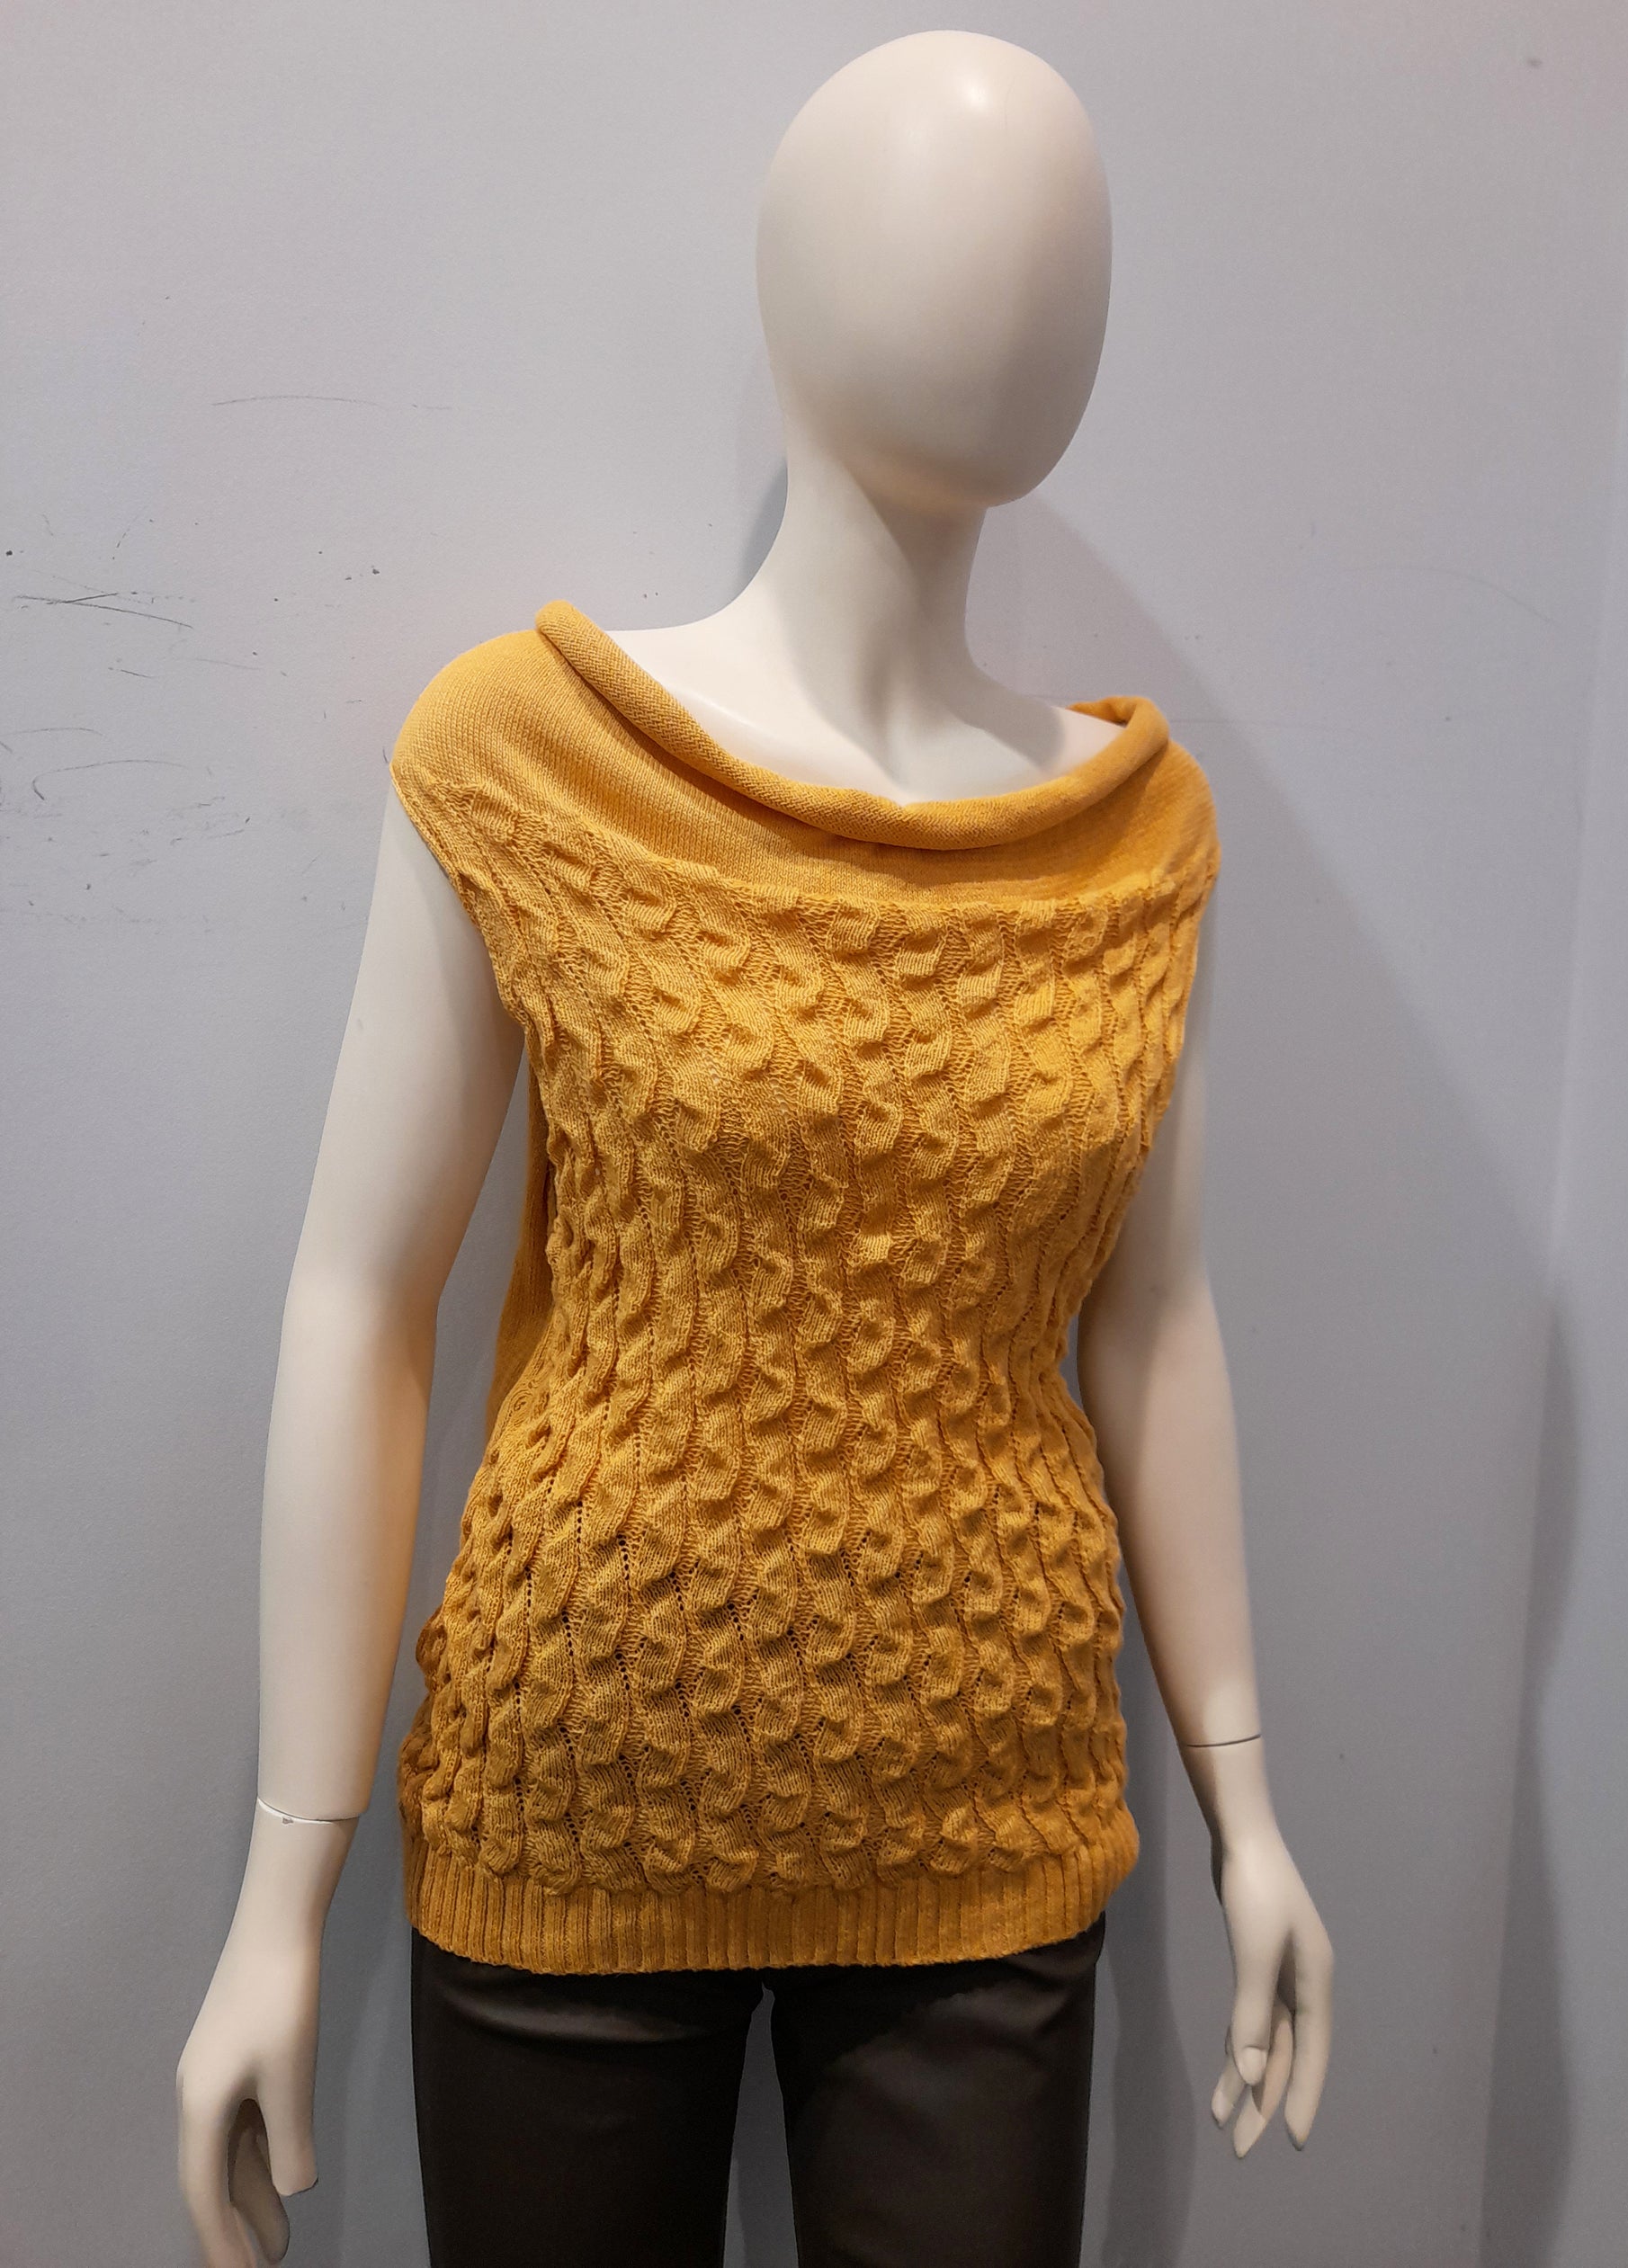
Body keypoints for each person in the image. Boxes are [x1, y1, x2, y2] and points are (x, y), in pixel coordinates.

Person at [177, 31, 1332, 2268]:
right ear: (788, 288)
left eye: (1064, 246)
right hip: (577, 1786)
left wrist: (1246, 1804)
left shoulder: (1133, 840)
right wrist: (277, 1884)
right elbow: (359, 1301)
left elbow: (1155, 1322)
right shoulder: (532, 763)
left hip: (984, 1813)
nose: (1013, 284)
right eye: (940, 219)